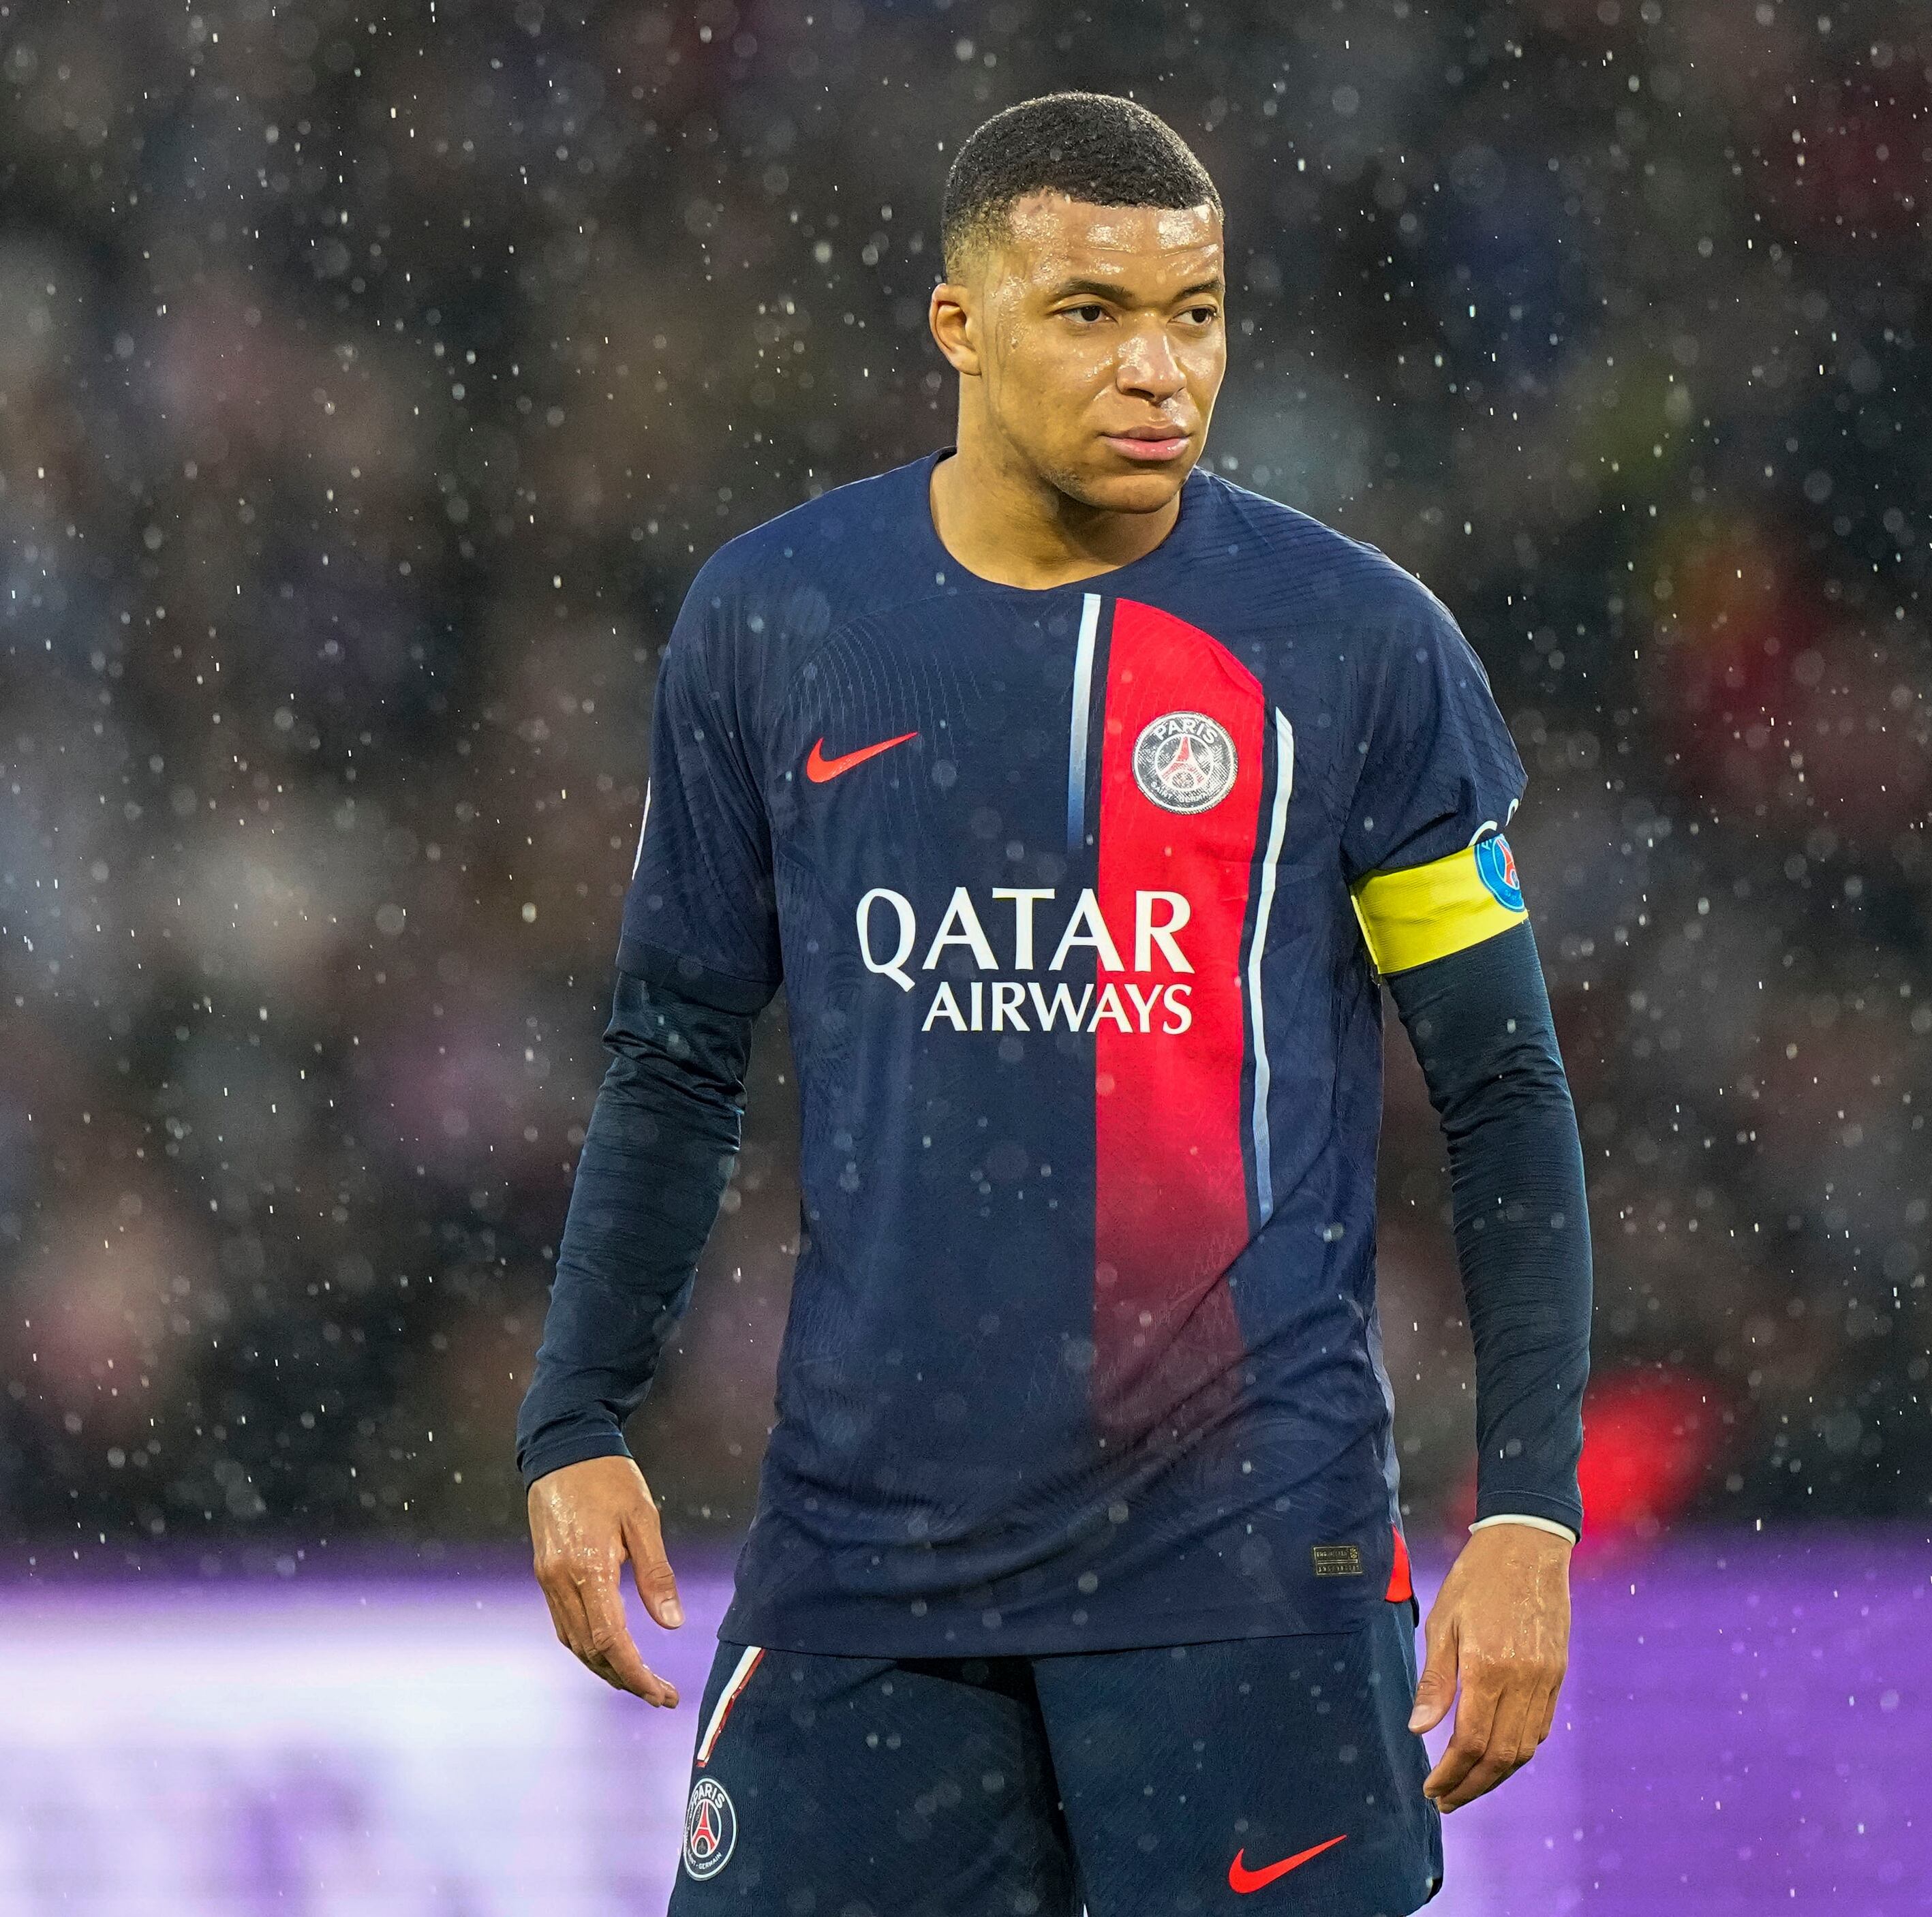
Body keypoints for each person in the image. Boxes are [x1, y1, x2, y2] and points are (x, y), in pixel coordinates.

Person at [512, 91, 1592, 1916]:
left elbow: (1499, 1093)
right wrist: (577, 1413)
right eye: (1092, 310)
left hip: (1249, 1569)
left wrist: (1530, 1507)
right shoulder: (777, 621)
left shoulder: (1353, 645)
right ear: (959, 325)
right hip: (868, 1567)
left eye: (1198, 311)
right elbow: (678, 1051)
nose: (1161, 368)